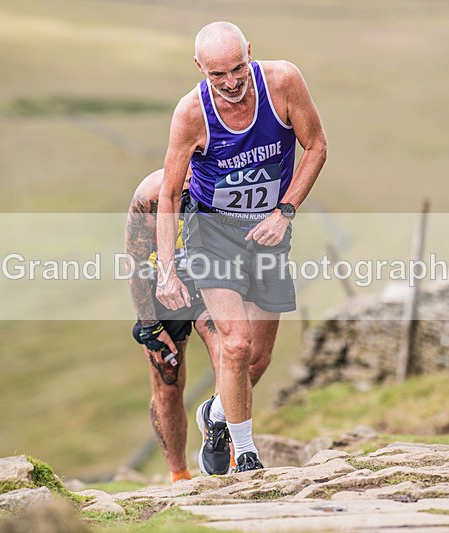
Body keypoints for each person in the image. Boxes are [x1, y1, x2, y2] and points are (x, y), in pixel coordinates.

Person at [156, 21, 327, 473]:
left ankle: (215, 414)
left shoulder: (283, 82)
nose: (231, 83)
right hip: (212, 231)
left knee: (256, 360)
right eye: (218, 74)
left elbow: (316, 146)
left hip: (268, 230)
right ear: (199, 67)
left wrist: (284, 211)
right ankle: (246, 457)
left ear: (249, 52)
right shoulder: (191, 113)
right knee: (235, 345)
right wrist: (167, 270)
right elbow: (170, 194)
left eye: (238, 69)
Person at [125, 168, 220, 483]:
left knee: (229, 360)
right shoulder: (150, 194)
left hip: (213, 282)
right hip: (163, 289)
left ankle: (229, 457)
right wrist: (149, 326)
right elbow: (135, 262)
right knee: (167, 387)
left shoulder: (223, 179)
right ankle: (179, 476)